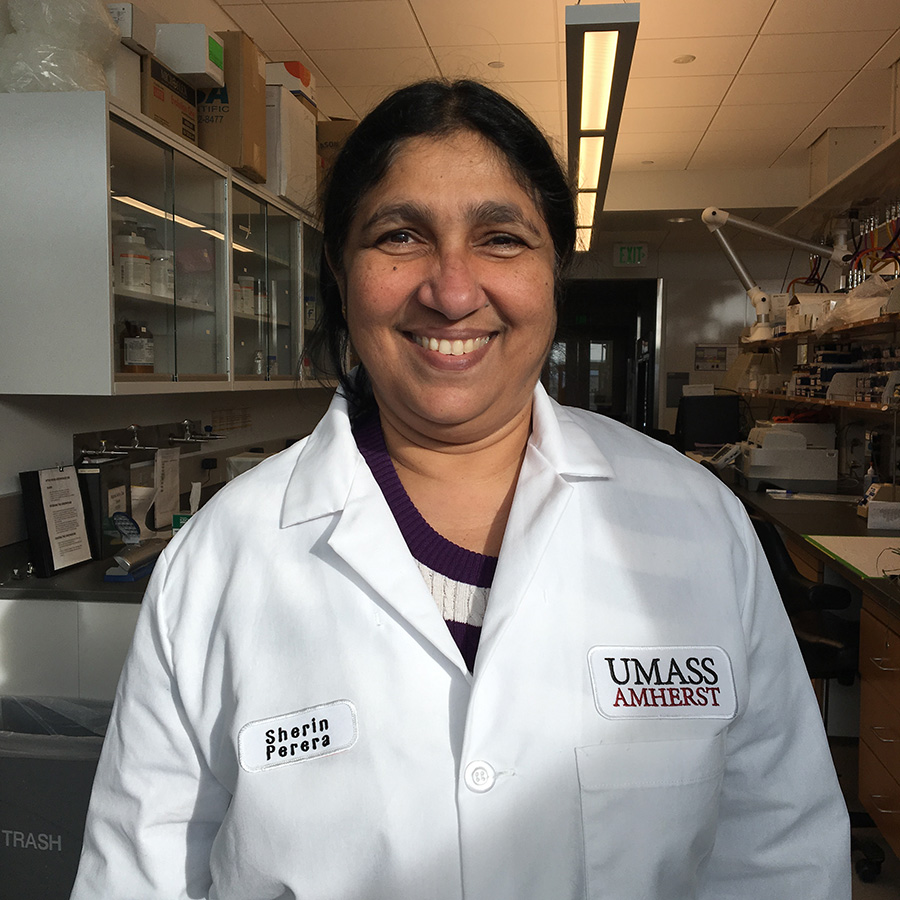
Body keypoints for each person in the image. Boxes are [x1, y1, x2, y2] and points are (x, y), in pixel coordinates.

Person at [71, 79, 850, 899]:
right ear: (341, 271)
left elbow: (780, 853)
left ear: (555, 269)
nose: (450, 290)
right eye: (400, 235)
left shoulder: (697, 526)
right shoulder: (221, 559)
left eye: (502, 238)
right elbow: (139, 877)